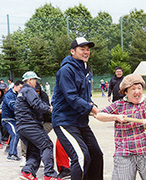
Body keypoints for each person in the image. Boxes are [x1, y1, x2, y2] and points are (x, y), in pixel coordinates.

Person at [51, 37, 103, 180]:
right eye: (82, 49)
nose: (86, 52)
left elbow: (84, 97)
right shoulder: (66, 70)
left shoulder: (85, 71)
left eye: (88, 49)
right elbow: (71, 97)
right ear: (72, 51)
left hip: (80, 122)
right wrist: (91, 108)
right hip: (65, 121)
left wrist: (93, 106)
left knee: (96, 154)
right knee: (81, 156)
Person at [94, 74, 146, 180]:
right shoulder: (118, 105)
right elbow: (99, 115)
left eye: (139, 88)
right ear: (125, 91)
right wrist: (116, 117)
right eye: (133, 89)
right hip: (124, 152)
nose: (137, 92)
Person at [14, 71, 61, 180]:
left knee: (34, 150)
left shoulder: (22, 92)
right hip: (30, 125)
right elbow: (36, 104)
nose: (36, 83)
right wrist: (49, 109)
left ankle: (27, 172)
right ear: (30, 80)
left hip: (22, 127)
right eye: (35, 80)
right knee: (47, 145)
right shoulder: (29, 90)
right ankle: (49, 174)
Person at [1, 80, 23, 161]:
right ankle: (12, 154)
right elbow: (12, 106)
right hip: (7, 119)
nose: (21, 89)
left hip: (14, 119)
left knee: (17, 134)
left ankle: (10, 150)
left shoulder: (17, 94)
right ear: (15, 86)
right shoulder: (9, 95)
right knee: (15, 134)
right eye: (20, 87)